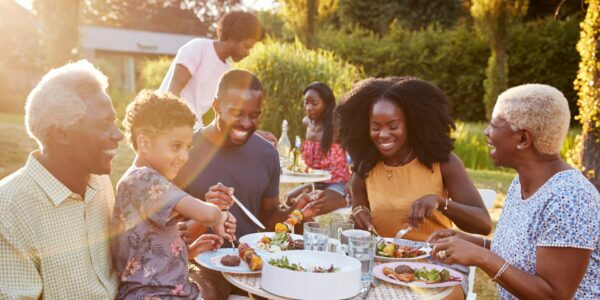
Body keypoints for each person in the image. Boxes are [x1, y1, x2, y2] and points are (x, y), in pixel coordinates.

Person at [429, 84, 600, 299]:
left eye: (493, 126)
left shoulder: (570, 199)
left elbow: (554, 295)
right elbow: (522, 257)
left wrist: (481, 257)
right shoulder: (520, 183)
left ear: (523, 139)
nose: (486, 132)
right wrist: (469, 242)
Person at [174, 69, 325, 300]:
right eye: (236, 113)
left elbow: (267, 217)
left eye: (254, 115)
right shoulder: (184, 150)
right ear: (216, 105)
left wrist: (298, 212)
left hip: (256, 266)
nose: (245, 123)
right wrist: (206, 210)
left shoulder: (267, 154)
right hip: (204, 267)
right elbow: (169, 230)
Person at [0, 60, 123, 298]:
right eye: (103, 124)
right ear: (62, 133)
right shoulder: (8, 210)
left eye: (114, 121)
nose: (118, 135)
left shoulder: (100, 182)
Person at [111, 90, 237, 299]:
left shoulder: (146, 181)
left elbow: (148, 247)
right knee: (218, 285)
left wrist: (190, 251)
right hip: (152, 294)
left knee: (218, 285)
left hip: (166, 288)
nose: (184, 156)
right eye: (176, 146)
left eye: (187, 147)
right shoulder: (143, 180)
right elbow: (205, 214)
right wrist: (220, 216)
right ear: (145, 144)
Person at [337, 77, 492, 242]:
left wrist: (440, 203)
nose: (383, 134)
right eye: (375, 127)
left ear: (411, 123)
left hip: (435, 262)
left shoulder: (444, 163)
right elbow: (360, 232)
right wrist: (358, 214)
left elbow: (484, 225)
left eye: (393, 126)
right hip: (382, 264)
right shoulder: (365, 167)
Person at [160, 10, 275, 145]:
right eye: (246, 46)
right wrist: (175, 129)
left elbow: (219, 115)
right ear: (234, 37)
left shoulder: (227, 71)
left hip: (192, 130)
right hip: (169, 124)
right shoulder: (198, 48)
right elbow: (172, 91)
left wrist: (256, 134)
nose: (247, 53)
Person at [285, 82, 351, 213]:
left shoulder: (337, 126)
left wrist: (352, 183)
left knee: (312, 207)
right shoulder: (307, 122)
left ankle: (344, 199)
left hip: (336, 184)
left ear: (326, 104)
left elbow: (355, 156)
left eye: (314, 104)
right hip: (315, 183)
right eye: (306, 103)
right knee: (287, 201)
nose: (308, 107)